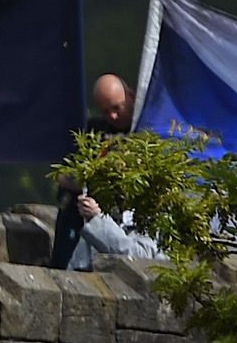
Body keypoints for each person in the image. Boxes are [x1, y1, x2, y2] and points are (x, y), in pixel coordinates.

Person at [50, 73, 158, 270]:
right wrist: (90, 180)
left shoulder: (147, 131)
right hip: (85, 210)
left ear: (131, 96)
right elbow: (64, 176)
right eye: (106, 111)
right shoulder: (95, 130)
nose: (113, 117)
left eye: (117, 108)